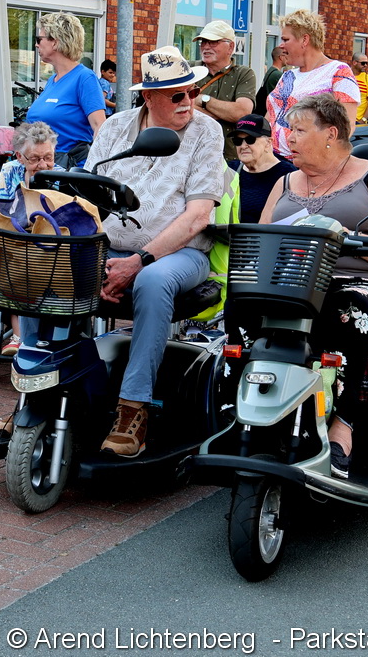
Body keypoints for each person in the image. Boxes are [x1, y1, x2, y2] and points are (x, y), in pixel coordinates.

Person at [260, 93, 368, 478]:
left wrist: (344, 238)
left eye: (298, 130)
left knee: (347, 309)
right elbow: (262, 242)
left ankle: (344, 427)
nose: (288, 138)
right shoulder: (284, 181)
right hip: (296, 283)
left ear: (331, 133)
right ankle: (251, 413)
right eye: (288, 130)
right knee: (241, 308)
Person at [86, 45, 224, 457]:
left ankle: (134, 407)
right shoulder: (115, 127)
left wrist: (138, 261)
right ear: (148, 96)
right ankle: (49, 387)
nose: (189, 102)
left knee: (152, 279)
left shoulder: (206, 131)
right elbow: (88, 196)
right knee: (52, 262)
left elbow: (197, 217)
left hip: (180, 253)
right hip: (111, 245)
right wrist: (92, 259)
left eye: (193, 91)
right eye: (178, 95)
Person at [0, 121, 64, 356]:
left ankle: (50, 335)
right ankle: (19, 335)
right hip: (16, 242)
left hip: (51, 247)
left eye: (48, 157)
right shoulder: (10, 171)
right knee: (19, 265)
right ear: (19, 157)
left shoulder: (62, 175)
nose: (43, 165)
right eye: (35, 159)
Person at [265, 9, 360, 176]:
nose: (281, 45)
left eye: (286, 39)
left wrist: (320, 163)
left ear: (305, 39)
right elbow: (271, 116)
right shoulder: (287, 75)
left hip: (307, 167)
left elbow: (346, 127)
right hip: (271, 162)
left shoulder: (338, 72)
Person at [25, 11, 106, 168]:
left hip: (68, 170)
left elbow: (100, 127)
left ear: (55, 42)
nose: (36, 44)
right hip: (42, 167)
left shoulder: (85, 78)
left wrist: (97, 169)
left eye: (39, 39)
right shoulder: (52, 80)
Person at [190, 21, 256, 160]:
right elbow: (177, 108)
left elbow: (242, 113)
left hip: (228, 157)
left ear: (230, 47)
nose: (206, 47)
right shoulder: (189, 70)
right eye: (203, 42)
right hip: (191, 154)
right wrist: (223, 112)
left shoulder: (243, 74)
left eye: (213, 42)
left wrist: (203, 100)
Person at [227, 114, 282, 224]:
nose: (243, 146)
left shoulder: (287, 174)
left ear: (268, 143)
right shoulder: (230, 170)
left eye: (250, 139)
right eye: (237, 141)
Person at [255, 46, 287, 115]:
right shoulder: (277, 75)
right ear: (281, 57)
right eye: (286, 54)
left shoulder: (270, 71)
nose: (288, 57)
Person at [351, 52, 368, 124]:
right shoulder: (346, 76)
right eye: (363, 63)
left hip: (359, 121)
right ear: (354, 62)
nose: (365, 65)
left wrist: (364, 119)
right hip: (344, 119)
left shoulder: (367, 79)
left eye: (366, 63)